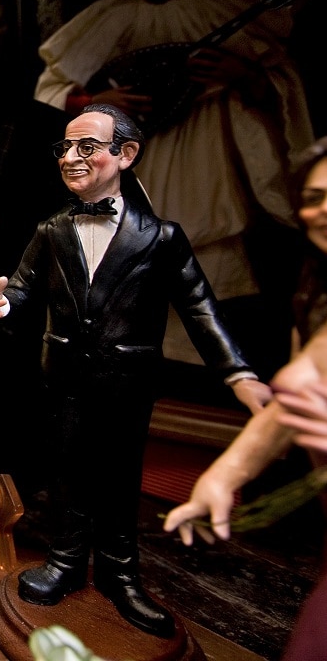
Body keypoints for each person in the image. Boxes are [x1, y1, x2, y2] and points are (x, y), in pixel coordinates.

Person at [0, 103, 270, 638]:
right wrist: (2, 305)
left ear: (126, 154)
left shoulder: (160, 239)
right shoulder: (51, 229)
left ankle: (120, 573)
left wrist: (238, 374)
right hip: (62, 377)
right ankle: (64, 560)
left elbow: (200, 309)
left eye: (87, 146)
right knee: (64, 471)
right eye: (65, 147)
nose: (72, 157)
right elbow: (20, 288)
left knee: (118, 478)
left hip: (126, 383)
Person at [33, 0, 313, 373]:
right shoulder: (113, 17)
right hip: (139, 160)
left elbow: (282, 87)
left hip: (207, 157)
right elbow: (49, 93)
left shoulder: (217, 5)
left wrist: (242, 75)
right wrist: (96, 104)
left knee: (214, 276)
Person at [163, 136, 327, 659]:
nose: (320, 211)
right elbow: (291, 399)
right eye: (314, 197)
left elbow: (198, 303)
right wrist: (223, 476)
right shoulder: (316, 292)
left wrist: (234, 372)